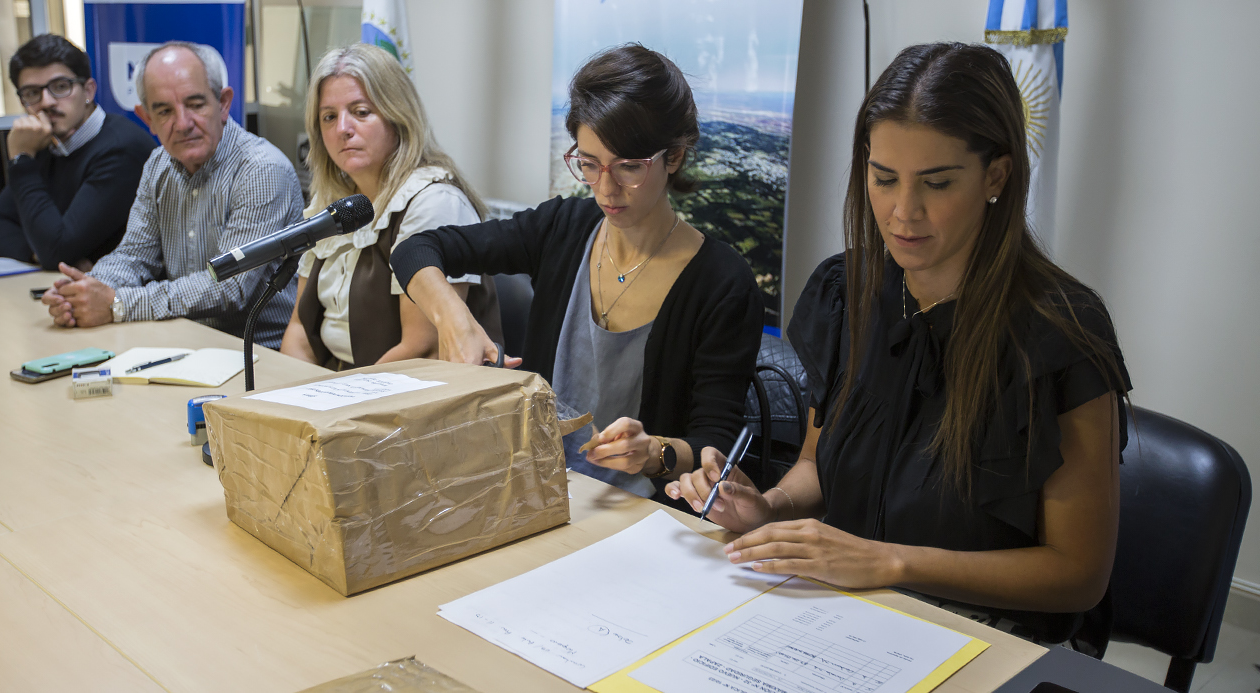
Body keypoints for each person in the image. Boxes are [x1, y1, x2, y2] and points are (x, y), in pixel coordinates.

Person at [669, 43, 1131, 651]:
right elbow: (817, 465)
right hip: (849, 617)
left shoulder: (1060, 335)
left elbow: (1077, 576)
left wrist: (889, 562)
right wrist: (769, 506)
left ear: (996, 175)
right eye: (883, 179)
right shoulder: (847, 293)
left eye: (937, 183)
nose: (902, 212)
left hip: (989, 640)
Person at [392, 44, 763, 500]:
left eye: (629, 167)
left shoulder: (722, 282)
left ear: (675, 157)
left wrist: (654, 452)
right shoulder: (563, 227)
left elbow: (716, 445)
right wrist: (455, 321)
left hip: (641, 515)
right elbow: (416, 249)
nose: (605, 188)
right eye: (589, 164)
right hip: (535, 490)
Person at [41, 41, 303, 349]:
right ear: (146, 118)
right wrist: (86, 292)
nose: (182, 124)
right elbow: (133, 256)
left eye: (195, 104)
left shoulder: (261, 170)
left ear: (223, 103)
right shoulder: (158, 164)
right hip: (182, 343)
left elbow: (229, 287)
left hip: (256, 355)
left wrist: (117, 304)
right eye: (164, 111)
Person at [279, 43, 502, 369]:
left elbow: (423, 348)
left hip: (409, 396)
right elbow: (300, 329)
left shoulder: (434, 202)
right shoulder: (332, 202)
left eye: (360, 112)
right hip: (334, 388)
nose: (342, 129)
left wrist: (337, 404)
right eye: (329, 117)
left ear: (398, 115)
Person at [0, 34, 157, 271]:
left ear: (88, 90)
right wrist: (36, 252)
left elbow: (56, 250)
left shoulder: (121, 149)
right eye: (31, 93)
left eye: (60, 87)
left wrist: (21, 160)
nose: (46, 102)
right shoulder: (47, 143)